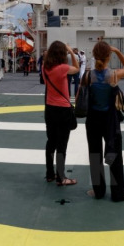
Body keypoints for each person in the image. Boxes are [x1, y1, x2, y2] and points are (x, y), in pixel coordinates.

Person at [84, 41, 124, 202]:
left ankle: (98, 191)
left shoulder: (87, 76)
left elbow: (81, 97)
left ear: (94, 55)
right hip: (110, 121)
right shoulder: (113, 75)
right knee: (114, 154)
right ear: (109, 56)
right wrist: (118, 51)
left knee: (95, 154)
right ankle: (118, 193)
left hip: (92, 119)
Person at [42, 41, 79, 186]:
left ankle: (49, 174)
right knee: (62, 145)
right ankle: (61, 177)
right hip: (63, 109)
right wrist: (72, 53)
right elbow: (77, 68)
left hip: (49, 109)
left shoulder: (45, 67)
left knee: (51, 142)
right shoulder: (62, 68)